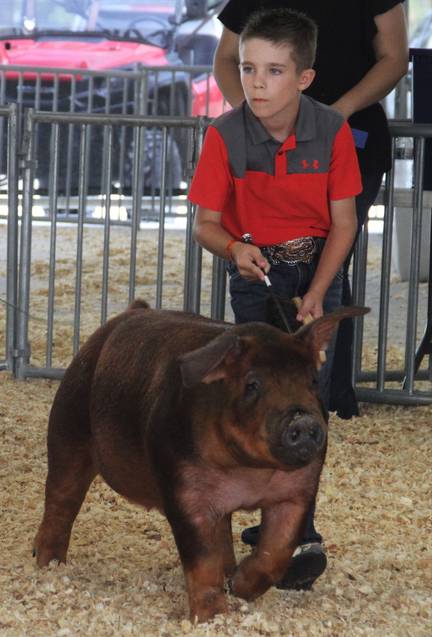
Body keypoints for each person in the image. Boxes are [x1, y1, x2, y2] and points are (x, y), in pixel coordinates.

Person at [189, 8, 362, 590]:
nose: (256, 83)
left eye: (273, 71)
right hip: (254, 269)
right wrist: (235, 248)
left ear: (304, 79)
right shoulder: (223, 134)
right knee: (253, 389)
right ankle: (256, 509)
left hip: (317, 268)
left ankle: (298, 530)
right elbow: (205, 225)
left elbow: (344, 223)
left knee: (308, 397)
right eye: (248, 69)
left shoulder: (333, 131)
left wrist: (318, 291)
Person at [213, 0, 409, 420]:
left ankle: (328, 398)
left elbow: (394, 59)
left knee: (330, 263)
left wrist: (336, 114)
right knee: (267, 261)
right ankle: (265, 399)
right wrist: (248, 117)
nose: (259, 78)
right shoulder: (231, 133)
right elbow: (228, 57)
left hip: (348, 136)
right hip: (266, 143)